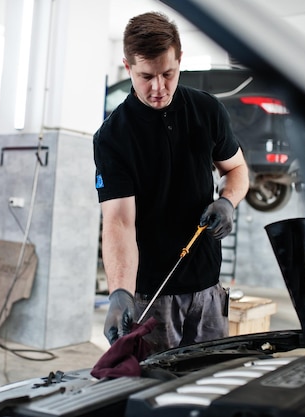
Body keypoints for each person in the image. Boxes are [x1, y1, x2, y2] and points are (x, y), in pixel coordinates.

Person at [93, 11, 249, 353]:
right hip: (153, 296)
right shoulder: (113, 137)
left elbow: (237, 169)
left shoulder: (207, 111)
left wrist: (227, 201)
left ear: (180, 60)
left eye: (168, 73)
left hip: (208, 289)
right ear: (127, 66)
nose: (159, 88)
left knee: (207, 387)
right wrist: (120, 290)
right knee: (156, 395)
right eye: (146, 76)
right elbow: (119, 221)